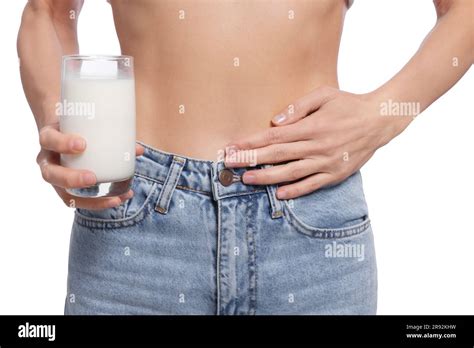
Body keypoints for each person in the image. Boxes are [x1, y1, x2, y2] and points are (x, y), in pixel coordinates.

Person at [17, 0, 473, 315]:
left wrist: (383, 115)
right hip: (135, 215)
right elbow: (48, 11)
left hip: (309, 218)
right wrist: (62, 121)